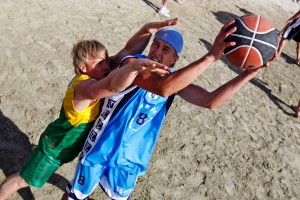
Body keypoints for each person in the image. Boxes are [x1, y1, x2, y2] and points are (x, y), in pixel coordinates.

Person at [64, 20, 271, 200]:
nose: (156, 52)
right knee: (76, 194)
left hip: (131, 158)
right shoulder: (133, 64)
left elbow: (210, 100)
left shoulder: (174, 78)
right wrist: (211, 56)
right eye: (155, 45)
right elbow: (163, 88)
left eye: (165, 50)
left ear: (174, 60)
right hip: (101, 146)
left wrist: (249, 74)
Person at [0, 18, 179, 200]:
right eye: (100, 63)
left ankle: (36, 149)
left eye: (106, 60)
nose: (107, 65)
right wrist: (132, 68)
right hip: (55, 150)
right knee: (22, 180)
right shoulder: (85, 88)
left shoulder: (98, 73)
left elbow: (127, 52)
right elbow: (111, 87)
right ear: (82, 67)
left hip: (65, 143)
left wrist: (146, 30)